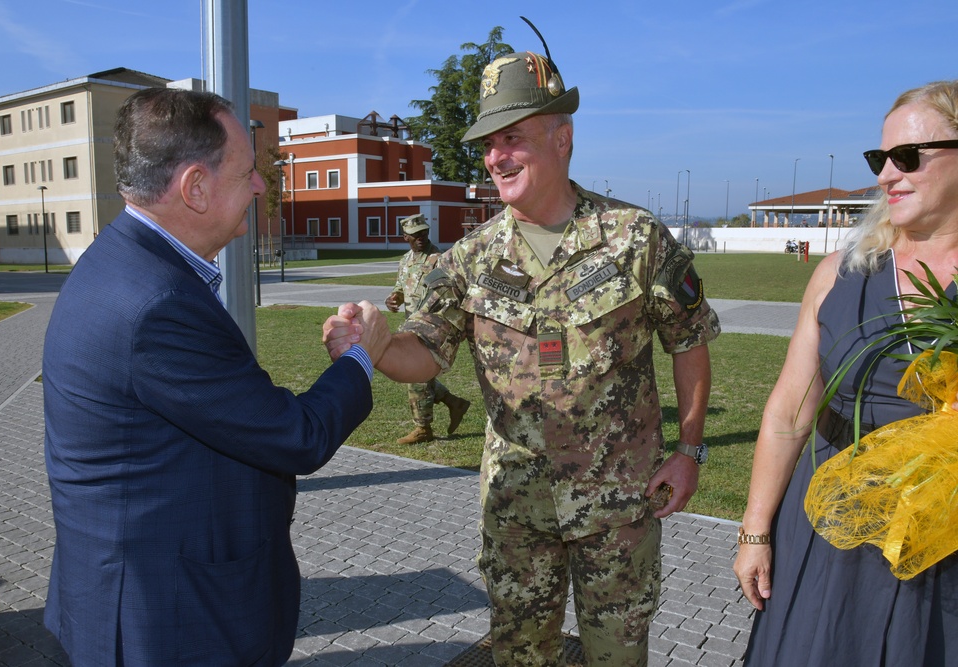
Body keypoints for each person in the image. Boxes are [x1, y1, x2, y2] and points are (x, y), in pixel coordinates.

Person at [325, 27, 719, 666]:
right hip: (516, 511)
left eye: (513, 137)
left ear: (562, 137)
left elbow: (690, 341)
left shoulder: (635, 238)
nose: (496, 157)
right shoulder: (470, 258)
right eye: (489, 143)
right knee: (519, 659)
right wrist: (372, 343)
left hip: (616, 509)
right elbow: (423, 352)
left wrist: (691, 449)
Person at [42, 87, 389, 666]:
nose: (259, 187)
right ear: (196, 188)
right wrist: (362, 356)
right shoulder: (154, 303)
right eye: (249, 172)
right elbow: (294, 436)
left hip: (136, 593)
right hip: (170, 619)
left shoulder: (123, 262)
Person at [733, 80, 958, 666]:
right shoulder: (840, 272)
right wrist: (756, 531)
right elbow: (787, 414)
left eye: (908, 157)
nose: (887, 175)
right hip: (827, 526)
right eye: (879, 159)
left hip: (939, 546)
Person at [384, 213, 471, 444]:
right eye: (415, 235)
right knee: (419, 373)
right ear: (405, 237)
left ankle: (423, 428)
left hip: (433, 326)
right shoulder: (405, 261)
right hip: (411, 325)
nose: (420, 238)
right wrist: (394, 298)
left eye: (423, 233)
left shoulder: (439, 259)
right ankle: (454, 402)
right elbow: (400, 288)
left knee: (414, 373)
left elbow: (451, 296)